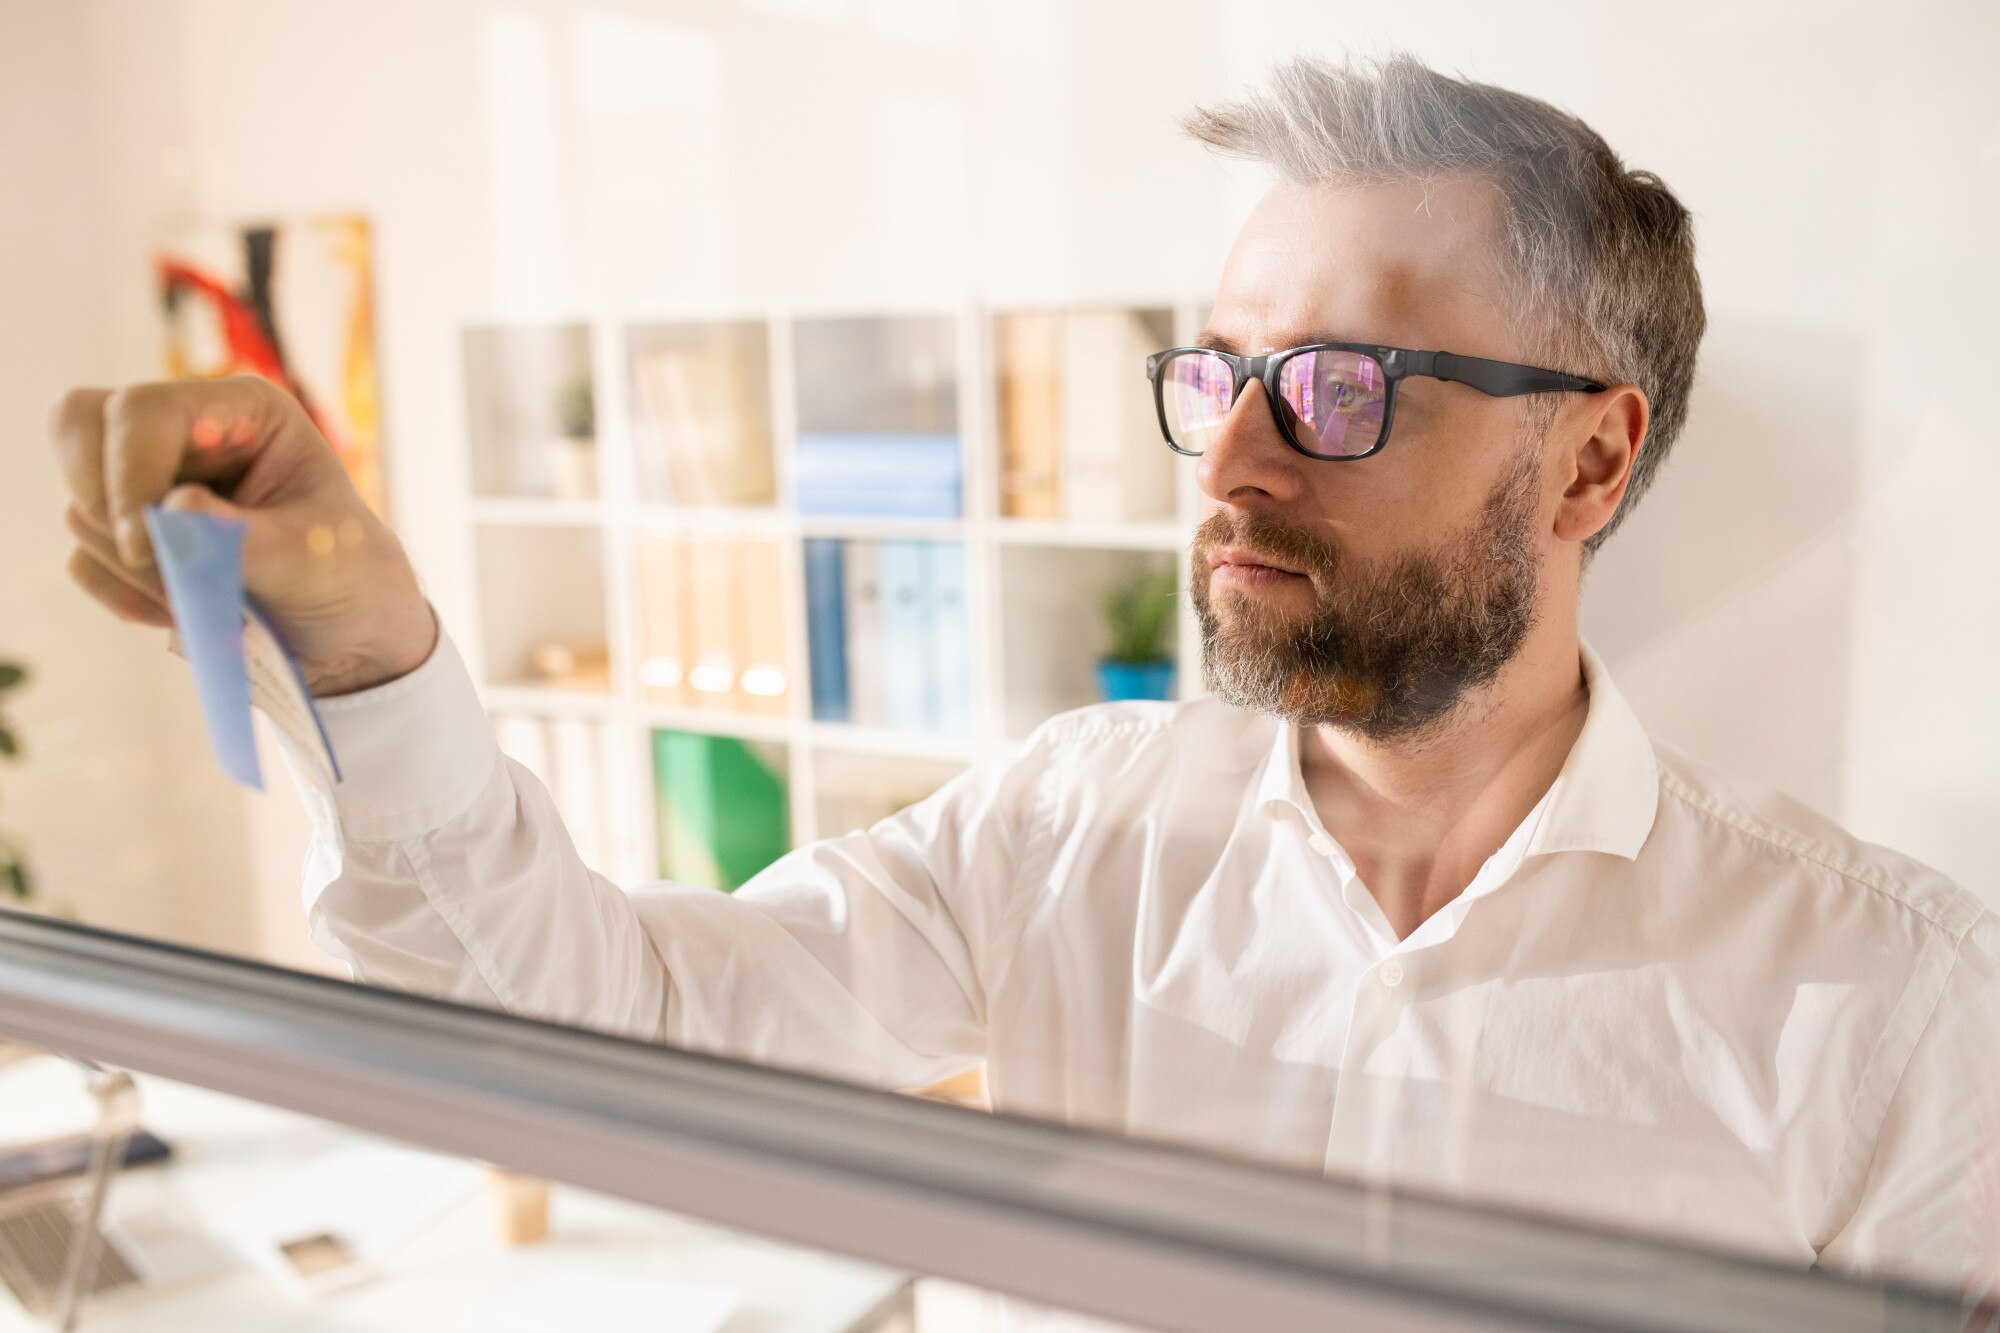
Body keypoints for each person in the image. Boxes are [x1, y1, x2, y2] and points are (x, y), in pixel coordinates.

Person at [48, 53, 1997, 1302]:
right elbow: (601, 1024)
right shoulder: (1072, 824)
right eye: (1218, 373)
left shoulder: (1896, 1005)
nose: (1230, 459)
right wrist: (372, 647)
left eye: (1338, 387)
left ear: (1585, 459)